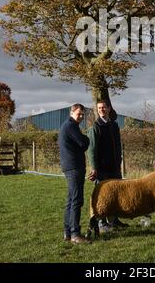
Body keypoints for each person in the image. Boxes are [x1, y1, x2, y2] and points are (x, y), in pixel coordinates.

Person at [87, 99, 128, 230]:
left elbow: (117, 146)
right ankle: (102, 222)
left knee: (116, 194)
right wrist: (94, 168)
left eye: (103, 108)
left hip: (114, 167)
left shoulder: (114, 125)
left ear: (109, 109)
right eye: (99, 108)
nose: (101, 110)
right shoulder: (95, 127)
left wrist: (119, 161)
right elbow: (92, 150)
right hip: (102, 169)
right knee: (103, 196)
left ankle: (114, 220)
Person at [58, 103, 91, 244]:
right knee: (77, 200)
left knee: (71, 200)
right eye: (79, 114)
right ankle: (75, 234)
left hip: (69, 166)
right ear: (71, 113)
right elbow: (84, 144)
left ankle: (67, 232)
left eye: (83, 114)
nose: (81, 117)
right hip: (74, 167)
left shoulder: (67, 126)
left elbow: (80, 143)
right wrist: (87, 138)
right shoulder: (71, 126)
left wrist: (83, 139)